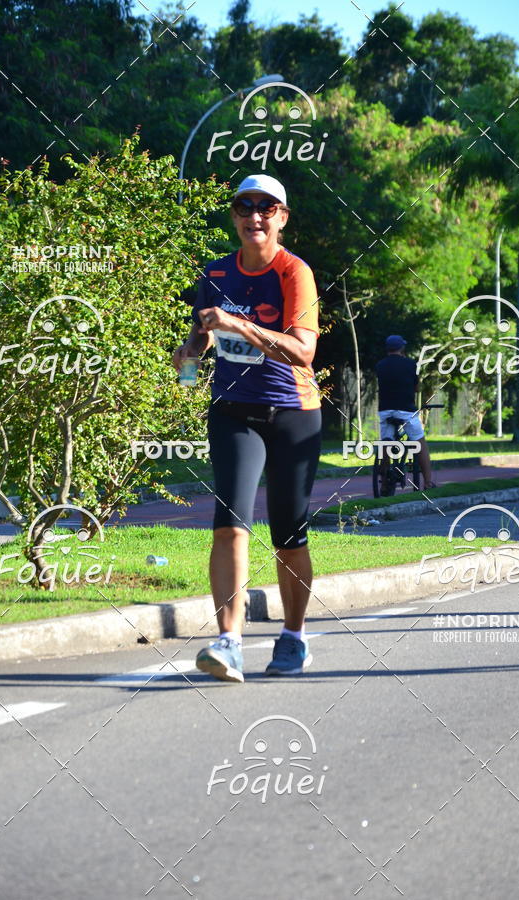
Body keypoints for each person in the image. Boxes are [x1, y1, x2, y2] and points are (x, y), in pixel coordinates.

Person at [172, 174, 321, 684]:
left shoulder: (293, 272)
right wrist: (188, 360)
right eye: (244, 206)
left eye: (266, 208)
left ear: (281, 218)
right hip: (234, 411)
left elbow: (303, 351)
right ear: (234, 216)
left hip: (293, 415)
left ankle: (294, 637)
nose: (254, 216)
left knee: (288, 533)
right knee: (230, 522)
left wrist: (240, 326)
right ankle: (228, 642)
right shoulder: (215, 273)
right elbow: (200, 341)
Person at [375, 334, 435, 489]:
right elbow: (416, 387)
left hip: (385, 411)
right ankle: (428, 482)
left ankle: (383, 482)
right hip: (406, 411)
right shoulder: (410, 364)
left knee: (386, 442)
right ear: (402, 348)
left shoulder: (380, 365)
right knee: (420, 443)